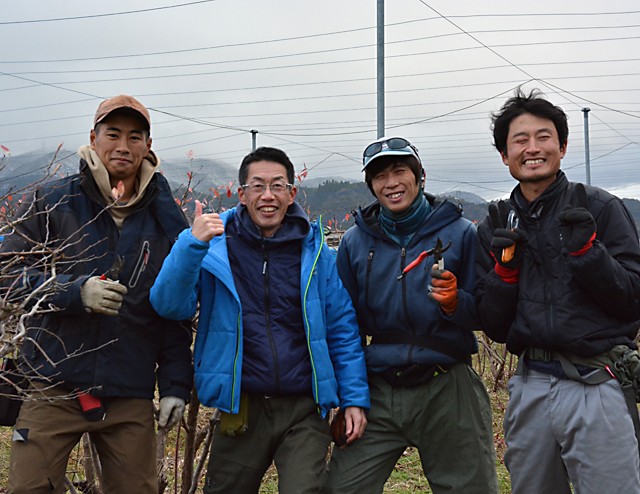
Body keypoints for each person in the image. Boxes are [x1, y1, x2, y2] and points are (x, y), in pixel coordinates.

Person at [149, 146, 370, 494]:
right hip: (243, 404)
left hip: (304, 405)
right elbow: (169, 305)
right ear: (242, 194)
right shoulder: (215, 245)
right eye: (257, 186)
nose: (268, 196)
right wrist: (191, 244)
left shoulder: (316, 254)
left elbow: (342, 328)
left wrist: (354, 398)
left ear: (292, 193)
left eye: (278, 186)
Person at [3, 95, 193, 493]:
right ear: (93, 137)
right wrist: (73, 292)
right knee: (28, 486)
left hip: (129, 386)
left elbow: (172, 308)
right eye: (113, 134)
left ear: (148, 146)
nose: (123, 145)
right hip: (53, 381)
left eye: (135, 137)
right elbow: (7, 276)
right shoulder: (52, 201)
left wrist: (175, 385)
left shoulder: (167, 219)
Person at [476, 88, 640, 493]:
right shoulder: (496, 225)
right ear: (504, 155)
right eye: (519, 140)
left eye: (543, 137)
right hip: (529, 383)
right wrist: (505, 272)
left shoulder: (599, 208)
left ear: (562, 147)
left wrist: (588, 253)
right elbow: (493, 325)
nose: (532, 148)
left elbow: (633, 300)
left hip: (596, 381)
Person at [325, 136, 498, 493]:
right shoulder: (356, 242)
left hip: (447, 383)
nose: (390, 183)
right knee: (342, 486)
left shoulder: (460, 234)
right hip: (380, 386)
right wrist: (350, 397)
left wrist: (454, 303)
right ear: (371, 186)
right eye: (379, 176)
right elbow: (345, 326)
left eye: (399, 171)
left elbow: (485, 313)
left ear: (420, 175)